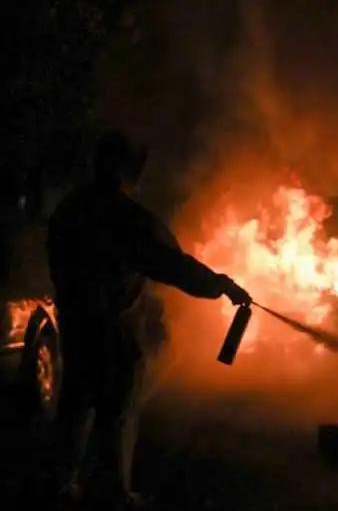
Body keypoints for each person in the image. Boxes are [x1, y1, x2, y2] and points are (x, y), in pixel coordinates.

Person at [46, 130, 251, 510]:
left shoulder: (70, 210)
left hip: (76, 328)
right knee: (117, 416)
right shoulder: (126, 217)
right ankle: (111, 495)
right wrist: (220, 285)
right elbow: (172, 265)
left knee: (75, 407)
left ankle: (59, 485)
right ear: (126, 168)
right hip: (113, 335)